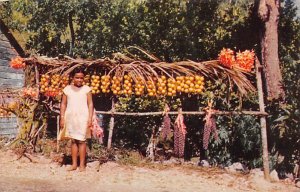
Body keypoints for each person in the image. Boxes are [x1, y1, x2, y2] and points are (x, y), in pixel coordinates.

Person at [59, 67, 93, 172]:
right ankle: (74, 164)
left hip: (83, 117)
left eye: (81, 78)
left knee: (82, 141)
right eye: (77, 78)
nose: (79, 80)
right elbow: (63, 104)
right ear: (72, 78)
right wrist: (62, 118)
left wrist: (90, 118)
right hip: (71, 117)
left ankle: (82, 165)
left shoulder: (87, 89)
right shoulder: (67, 89)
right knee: (73, 141)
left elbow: (90, 104)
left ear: (84, 79)